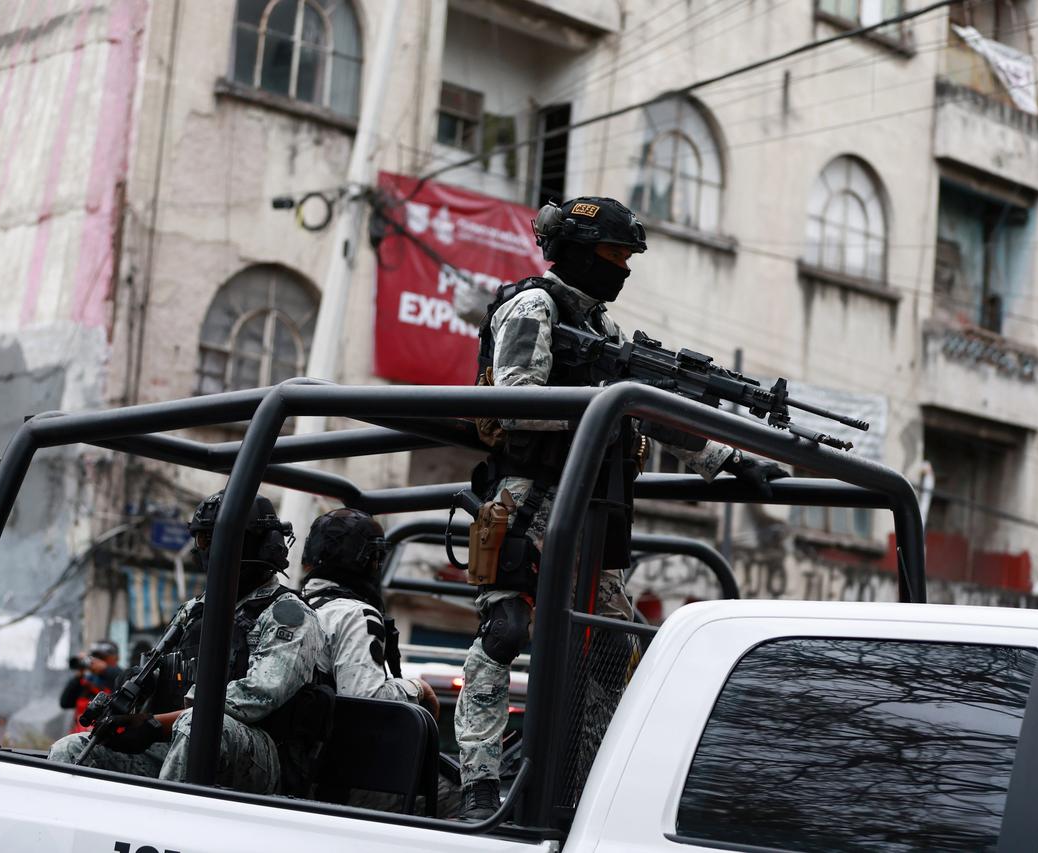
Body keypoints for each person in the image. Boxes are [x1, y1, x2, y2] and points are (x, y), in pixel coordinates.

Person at [454, 196, 786, 819]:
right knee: (505, 631)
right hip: (527, 501)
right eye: (613, 254)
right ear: (578, 252)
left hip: (591, 509)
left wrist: (727, 459)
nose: (623, 268)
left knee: (613, 648)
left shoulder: (604, 332)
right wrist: (603, 400)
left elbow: (649, 411)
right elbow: (514, 400)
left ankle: (588, 785)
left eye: (628, 257)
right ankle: (477, 783)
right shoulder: (534, 306)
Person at [48, 492, 326, 796]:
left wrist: (155, 724)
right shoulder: (195, 610)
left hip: (258, 757)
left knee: (198, 725)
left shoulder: (288, 614)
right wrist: (136, 693)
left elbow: (258, 696)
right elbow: (161, 665)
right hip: (179, 742)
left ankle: (165, 822)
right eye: (201, 540)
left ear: (255, 543)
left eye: (211, 539)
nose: (203, 549)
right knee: (71, 750)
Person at [299, 507, 439, 716]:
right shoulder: (354, 615)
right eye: (376, 557)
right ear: (367, 560)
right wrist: (416, 688)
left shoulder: (290, 606)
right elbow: (365, 700)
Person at [59, 639, 121, 733]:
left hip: (109, 736)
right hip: (81, 735)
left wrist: (105, 670)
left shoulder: (120, 677)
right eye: (95, 656)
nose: (97, 660)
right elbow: (65, 703)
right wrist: (79, 675)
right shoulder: (86, 681)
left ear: (116, 658)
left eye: (102, 657)